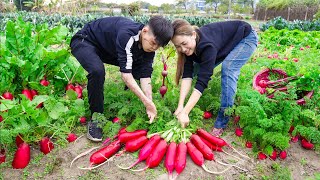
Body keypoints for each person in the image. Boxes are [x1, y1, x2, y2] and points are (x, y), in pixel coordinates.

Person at [70, 16, 173, 142]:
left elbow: (145, 76)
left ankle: (127, 95)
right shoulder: (127, 35)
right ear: (145, 31)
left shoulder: (149, 46)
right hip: (85, 41)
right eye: (153, 43)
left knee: (139, 68)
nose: (154, 48)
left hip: (108, 48)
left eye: (158, 46)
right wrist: (146, 102)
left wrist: (149, 102)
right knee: (97, 71)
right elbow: (126, 76)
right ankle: (96, 118)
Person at [171, 19, 258, 137]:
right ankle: (186, 105)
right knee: (194, 70)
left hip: (245, 37)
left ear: (193, 35)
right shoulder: (189, 48)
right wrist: (180, 106)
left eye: (184, 44)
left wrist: (185, 113)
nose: (183, 49)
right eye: (178, 46)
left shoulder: (207, 46)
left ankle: (223, 120)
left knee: (228, 68)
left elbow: (203, 81)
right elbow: (187, 75)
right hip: (224, 44)